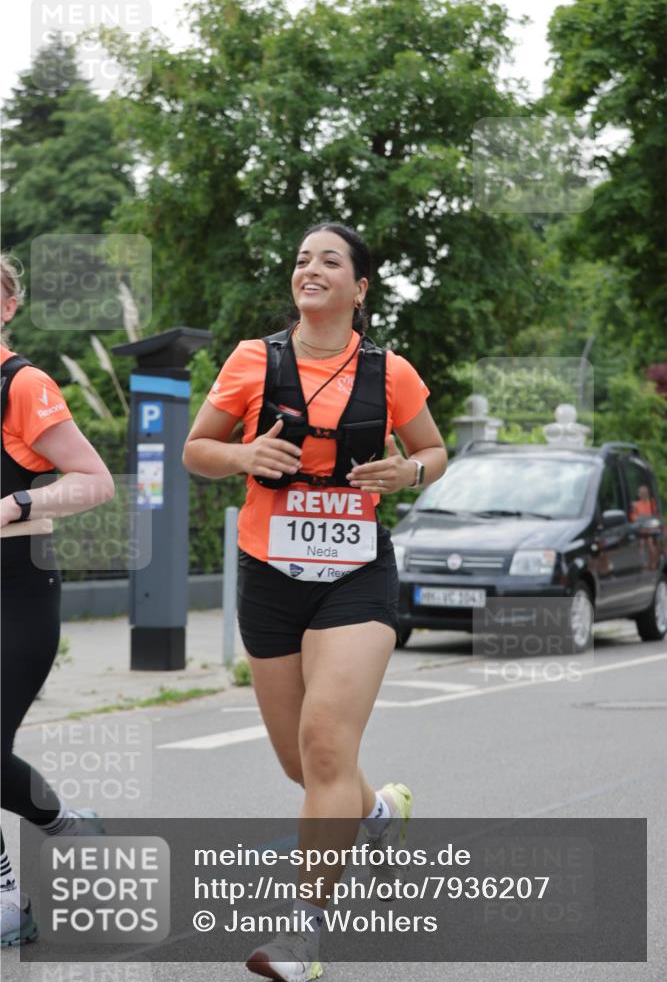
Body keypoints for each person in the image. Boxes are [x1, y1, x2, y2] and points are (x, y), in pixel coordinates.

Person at [183, 222, 447, 982]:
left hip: (354, 574)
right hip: (268, 574)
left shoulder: (389, 372)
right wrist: (243, 453)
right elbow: (198, 448)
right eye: (302, 258)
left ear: (359, 288)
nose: (311, 268)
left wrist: (409, 476)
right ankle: (375, 814)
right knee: (301, 763)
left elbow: (432, 450)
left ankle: (302, 938)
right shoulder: (250, 362)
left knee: (328, 744)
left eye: (330, 260)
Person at [0, 254, 115, 946]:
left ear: (8, 306)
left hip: (16, 589)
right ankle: (58, 830)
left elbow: (93, 480)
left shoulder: (23, 385)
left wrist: (16, 501)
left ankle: (44, 845)